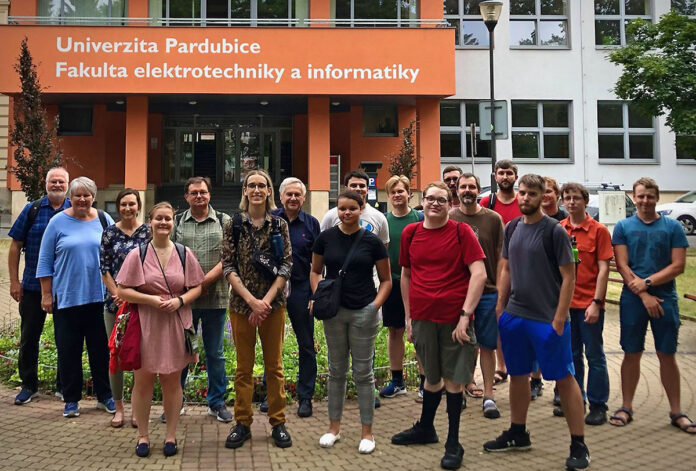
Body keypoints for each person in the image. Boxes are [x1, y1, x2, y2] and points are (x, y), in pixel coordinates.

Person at [483, 174, 589, 471]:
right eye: (522, 192)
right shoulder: (513, 227)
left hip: (547, 320)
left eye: (532, 193)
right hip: (515, 317)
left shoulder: (554, 231)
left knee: (564, 378)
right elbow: (505, 269)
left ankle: (578, 443)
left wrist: (558, 317)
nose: (525, 198)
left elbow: (570, 276)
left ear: (543, 196)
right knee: (518, 375)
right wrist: (502, 308)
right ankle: (518, 432)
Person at [391, 181, 486, 470]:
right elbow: (406, 275)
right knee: (431, 378)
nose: (434, 204)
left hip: (453, 319)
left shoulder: (461, 232)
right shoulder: (411, 233)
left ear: (450, 203)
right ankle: (426, 429)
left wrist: (465, 315)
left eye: (441, 200)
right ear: (422, 201)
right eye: (430, 199)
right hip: (422, 317)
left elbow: (479, 274)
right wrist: (409, 317)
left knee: (454, 381)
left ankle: (453, 443)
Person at [117, 202, 205, 458]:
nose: (164, 223)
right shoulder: (138, 254)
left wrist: (179, 301)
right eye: (159, 219)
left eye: (168, 219)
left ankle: (170, 435)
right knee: (142, 381)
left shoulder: (184, 253)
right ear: (150, 222)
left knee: (173, 382)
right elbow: (123, 290)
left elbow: (197, 287)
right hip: (146, 324)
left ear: (173, 222)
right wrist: (152, 300)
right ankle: (143, 436)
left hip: (177, 322)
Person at [610, 177, 695, 434]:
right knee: (631, 352)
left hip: (665, 297)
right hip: (633, 299)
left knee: (666, 354)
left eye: (649, 196)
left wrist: (647, 283)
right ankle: (626, 406)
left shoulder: (673, 227)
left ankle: (676, 411)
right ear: (633, 198)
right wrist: (643, 293)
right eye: (640, 196)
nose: (645, 201)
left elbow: (678, 265)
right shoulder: (623, 226)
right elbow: (622, 265)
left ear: (656, 198)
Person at [311, 190, 391, 455]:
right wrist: (318, 295)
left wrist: (374, 307)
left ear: (361, 208)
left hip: (363, 311)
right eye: (342, 208)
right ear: (337, 210)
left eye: (352, 209)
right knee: (335, 372)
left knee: (364, 374)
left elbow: (387, 280)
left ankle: (367, 433)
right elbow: (315, 271)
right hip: (333, 312)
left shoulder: (371, 241)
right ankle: (334, 428)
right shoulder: (326, 238)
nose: (346, 213)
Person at [221, 170, 294, 450]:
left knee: (275, 367)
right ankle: (242, 422)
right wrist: (251, 301)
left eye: (261, 185)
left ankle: (278, 423)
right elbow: (228, 265)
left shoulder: (279, 225)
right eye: (251, 185)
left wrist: (265, 301)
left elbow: (287, 264)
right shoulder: (234, 224)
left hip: (273, 306)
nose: (256, 190)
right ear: (245, 190)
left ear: (269, 190)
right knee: (243, 369)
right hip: (241, 306)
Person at [36, 176, 115, 418]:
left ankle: (105, 396)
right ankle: (71, 399)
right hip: (67, 299)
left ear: (94, 197)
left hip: (99, 299)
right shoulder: (58, 222)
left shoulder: (104, 220)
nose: (82, 199)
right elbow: (45, 260)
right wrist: (46, 295)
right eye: (78, 195)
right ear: (71, 197)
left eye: (87, 195)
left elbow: (116, 255)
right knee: (68, 351)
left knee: (101, 350)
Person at [320, 169, 389, 408]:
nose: (359, 189)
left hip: (367, 289)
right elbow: (322, 255)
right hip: (337, 295)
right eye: (354, 185)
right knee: (336, 360)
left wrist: (376, 302)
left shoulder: (379, 218)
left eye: (362, 186)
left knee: (364, 352)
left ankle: (367, 392)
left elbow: (383, 254)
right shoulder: (330, 218)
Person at [171, 177, 233, 423]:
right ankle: (176, 402)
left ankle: (216, 402)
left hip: (215, 298)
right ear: (186, 196)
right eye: (194, 192)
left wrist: (203, 283)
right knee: (182, 352)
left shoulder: (224, 221)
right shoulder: (177, 222)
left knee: (215, 353)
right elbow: (170, 255)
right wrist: (190, 287)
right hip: (185, 299)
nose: (199, 196)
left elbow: (228, 257)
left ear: (209, 195)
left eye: (203, 192)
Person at [8, 167, 70, 405]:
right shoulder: (31, 210)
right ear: (46, 184)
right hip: (33, 287)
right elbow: (15, 246)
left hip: (65, 288)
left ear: (68, 184)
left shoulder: (74, 211)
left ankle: (64, 387)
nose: (57, 185)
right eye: (53, 181)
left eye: (61, 182)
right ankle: (28, 386)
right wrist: (15, 281)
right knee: (29, 337)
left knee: (65, 338)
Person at [555, 182, 612, 425]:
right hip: (566, 306)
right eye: (566, 198)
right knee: (572, 354)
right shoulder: (559, 229)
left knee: (595, 354)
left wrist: (596, 303)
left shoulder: (598, 231)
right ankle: (576, 400)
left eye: (576, 197)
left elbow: (603, 270)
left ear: (585, 200)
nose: (571, 202)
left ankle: (599, 404)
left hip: (589, 305)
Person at [449, 173, 504, 419]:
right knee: (460, 343)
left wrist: (502, 290)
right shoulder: (450, 217)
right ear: (457, 190)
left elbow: (502, 257)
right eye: (463, 186)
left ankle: (489, 395)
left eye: (472, 186)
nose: (468, 190)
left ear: (478, 189)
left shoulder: (493, 219)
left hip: (489, 291)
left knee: (487, 345)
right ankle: (459, 390)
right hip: (459, 291)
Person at [99, 188, 152, 428]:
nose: (128, 208)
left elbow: (153, 266)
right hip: (115, 304)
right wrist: (117, 293)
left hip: (142, 305)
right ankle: (118, 407)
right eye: (123, 204)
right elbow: (104, 268)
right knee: (117, 355)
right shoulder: (109, 233)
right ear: (118, 207)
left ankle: (136, 408)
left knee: (140, 355)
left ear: (138, 206)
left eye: (132, 204)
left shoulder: (148, 232)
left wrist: (136, 295)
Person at [270, 177, 321, 417]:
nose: (292, 198)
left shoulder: (312, 224)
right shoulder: (269, 221)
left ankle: (305, 396)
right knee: (272, 344)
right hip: (273, 290)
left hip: (301, 288)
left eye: (297, 195)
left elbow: (317, 264)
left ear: (303, 197)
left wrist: (314, 294)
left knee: (306, 344)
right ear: (280, 197)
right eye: (288, 194)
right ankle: (272, 395)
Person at [478, 159, 522, 385]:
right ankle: (501, 366)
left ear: (515, 176)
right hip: (497, 269)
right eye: (501, 173)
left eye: (509, 173)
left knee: (521, 320)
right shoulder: (488, 201)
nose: (505, 177)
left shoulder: (523, 201)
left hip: (522, 268)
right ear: (495, 176)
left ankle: (527, 370)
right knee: (498, 319)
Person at [379, 175, 422, 400]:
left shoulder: (419, 218)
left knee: (419, 332)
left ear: (409, 194)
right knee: (395, 331)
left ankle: (426, 382)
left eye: (401, 191)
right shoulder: (383, 220)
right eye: (393, 191)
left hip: (417, 284)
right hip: (392, 284)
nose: (397, 195)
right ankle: (397, 381)